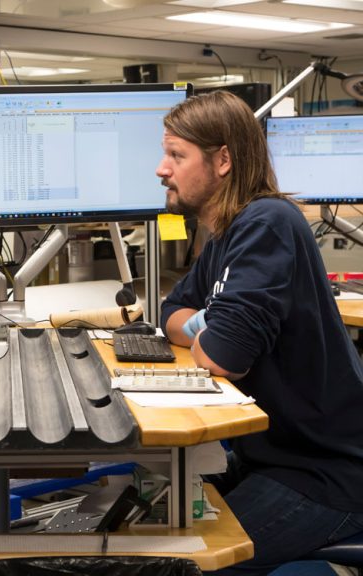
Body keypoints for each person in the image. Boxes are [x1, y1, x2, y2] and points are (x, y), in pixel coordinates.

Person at [157, 90, 363, 575]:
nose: (162, 169)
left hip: (323, 474)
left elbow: (222, 356)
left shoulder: (267, 222)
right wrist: (208, 320)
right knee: (153, 535)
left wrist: (213, 328)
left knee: (189, 567)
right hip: (272, 457)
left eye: (176, 155)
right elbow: (170, 311)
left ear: (223, 160)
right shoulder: (229, 232)